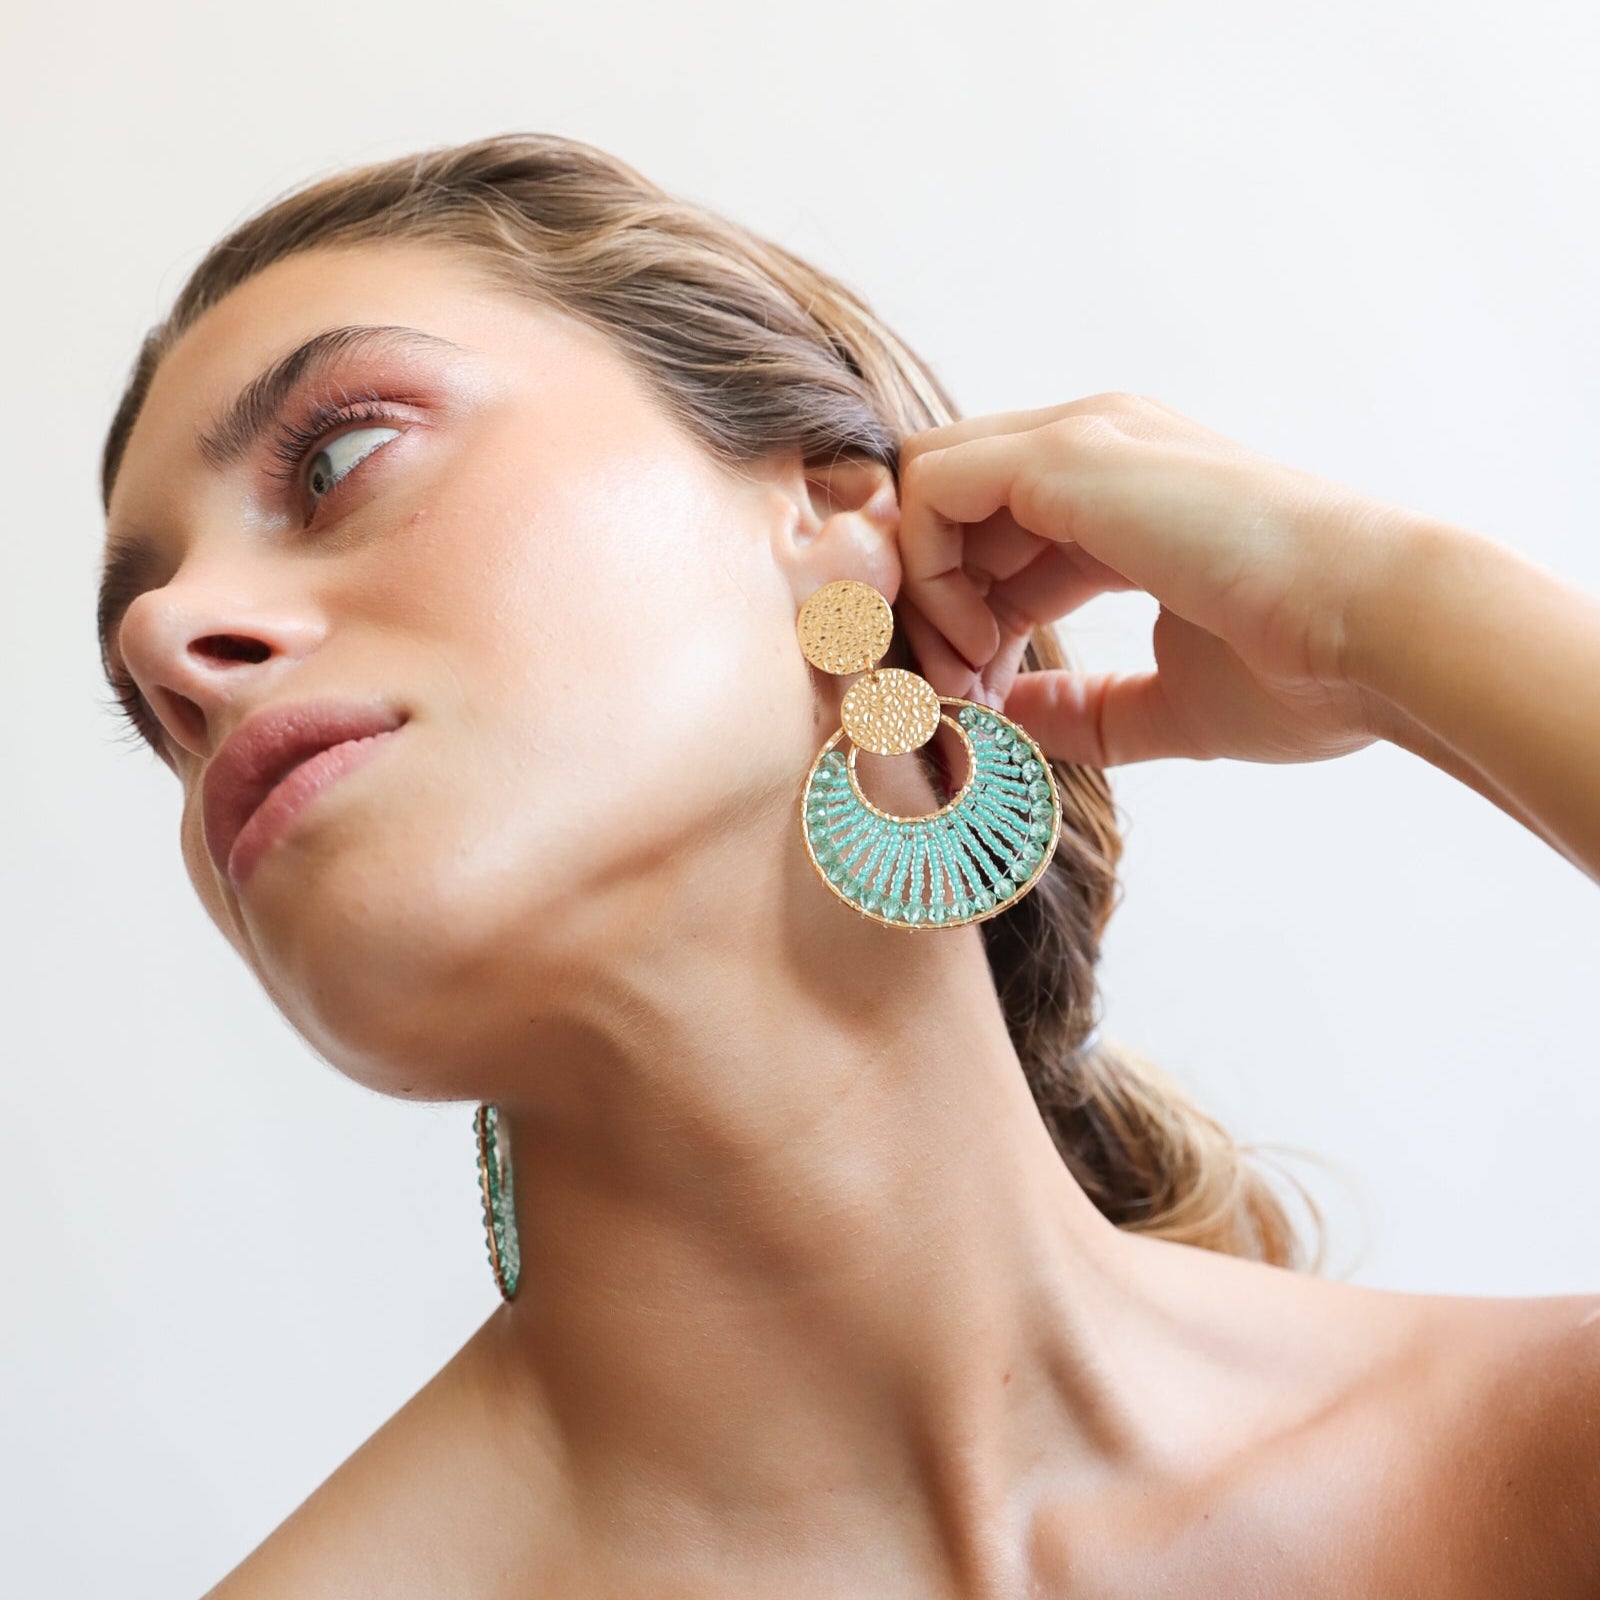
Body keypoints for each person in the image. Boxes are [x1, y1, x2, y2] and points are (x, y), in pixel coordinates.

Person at [97, 132, 1599, 1597]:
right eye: (133, 682)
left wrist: (1376, 607)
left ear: (824, 513)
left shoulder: (1530, 1463)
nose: (168, 643)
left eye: (339, 459)